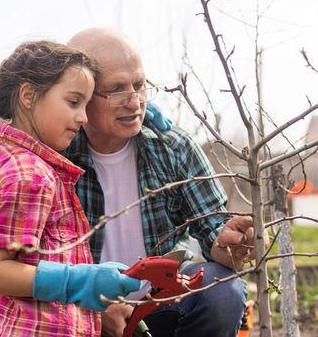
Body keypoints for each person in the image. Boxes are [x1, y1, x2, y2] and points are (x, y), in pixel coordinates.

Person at [65, 28, 256, 337]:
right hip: (76, 311)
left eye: (139, 85)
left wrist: (229, 242)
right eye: (116, 90)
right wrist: (88, 308)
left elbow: (212, 229)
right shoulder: (57, 157)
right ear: (81, 95)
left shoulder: (173, 147)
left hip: (156, 304)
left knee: (222, 291)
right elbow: (31, 264)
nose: (135, 102)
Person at [0, 40, 142, 336]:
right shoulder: (29, 174)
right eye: (74, 102)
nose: (84, 117)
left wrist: (144, 116)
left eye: (86, 105)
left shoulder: (10, 156)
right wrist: (79, 281)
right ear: (28, 95)